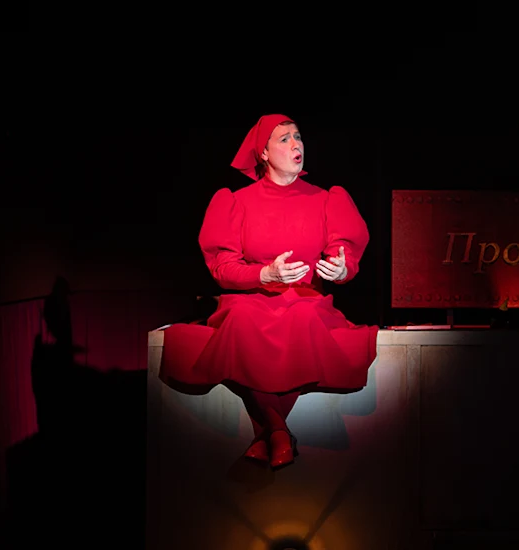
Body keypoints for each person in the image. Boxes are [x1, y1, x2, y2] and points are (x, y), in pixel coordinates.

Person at [159, 114, 378, 469]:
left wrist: (341, 269)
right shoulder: (235, 201)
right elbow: (222, 269)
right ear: (262, 153)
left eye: (298, 137)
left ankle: (268, 434)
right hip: (250, 300)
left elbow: (345, 254)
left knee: (304, 316)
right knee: (243, 319)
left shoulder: (327, 199)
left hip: (307, 300)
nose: (297, 145)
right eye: (285, 139)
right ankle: (277, 431)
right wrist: (265, 273)